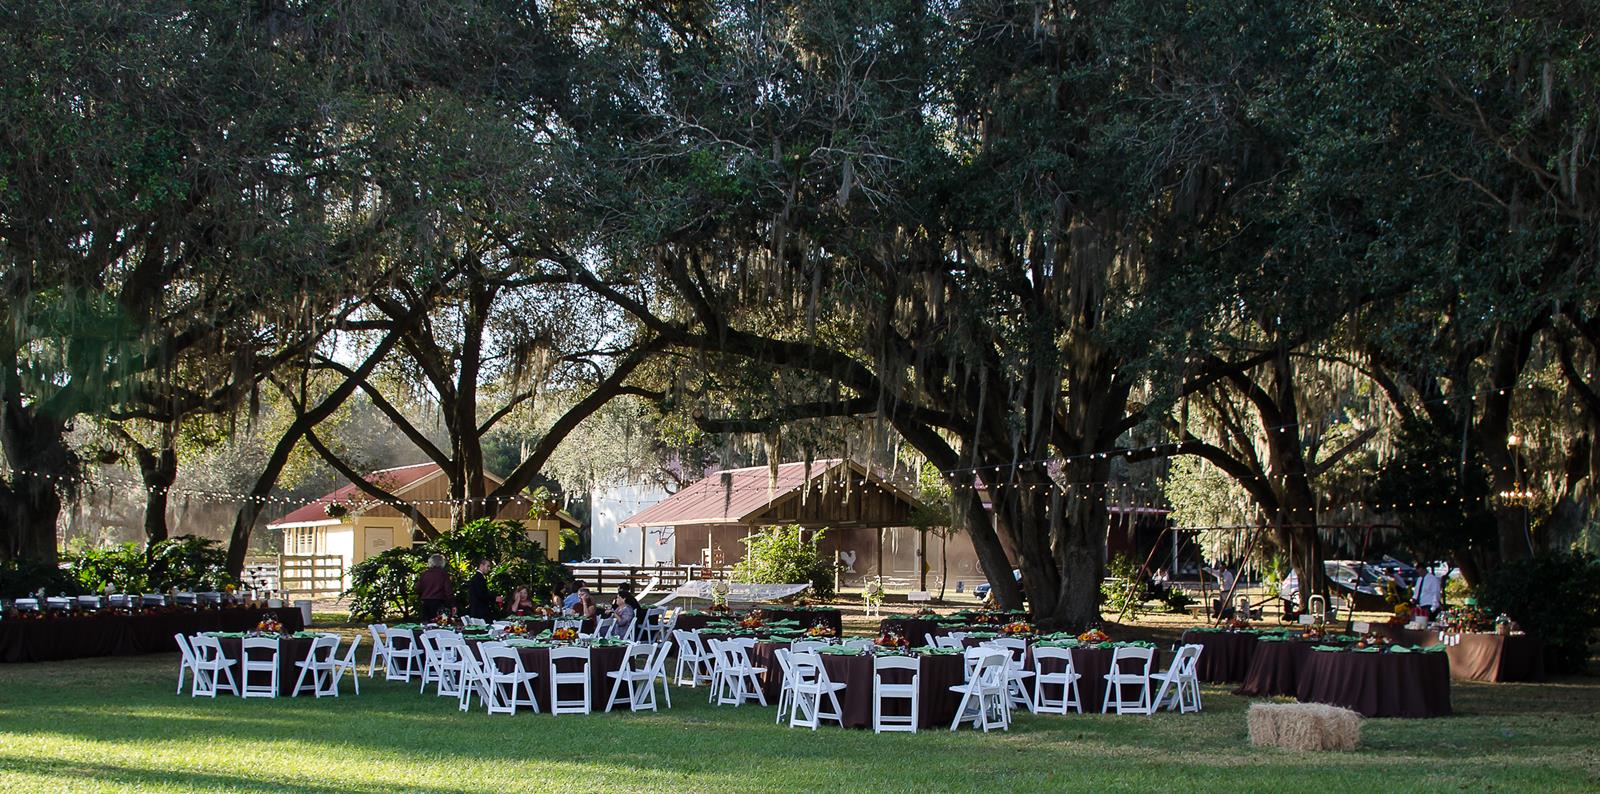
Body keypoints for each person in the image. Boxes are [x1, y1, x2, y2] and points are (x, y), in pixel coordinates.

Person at [416, 554, 453, 619]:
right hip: (439, 602)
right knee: (439, 623)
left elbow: (418, 588)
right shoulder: (443, 574)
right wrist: (452, 604)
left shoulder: (425, 574)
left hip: (426, 602)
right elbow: (448, 590)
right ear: (442, 562)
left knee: (426, 624)